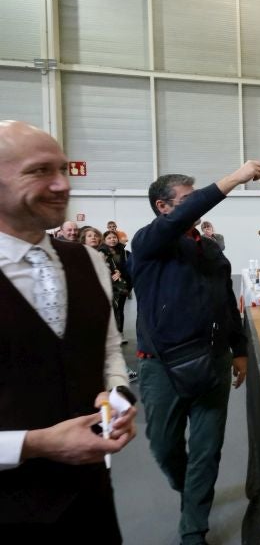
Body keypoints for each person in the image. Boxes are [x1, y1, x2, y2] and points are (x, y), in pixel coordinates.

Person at [0, 120, 137, 541]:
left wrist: (116, 396)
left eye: (63, 169)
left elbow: (108, 349)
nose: (62, 185)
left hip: (90, 496)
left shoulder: (86, 260)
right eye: (40, 171)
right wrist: (34, 443)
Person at [130, 160, 260, 545]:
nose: (196, 207)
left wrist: (239, 350)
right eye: (187, 200)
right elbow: (180, 221)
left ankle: (193, 529)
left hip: (213, 362)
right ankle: (189, 491)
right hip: (161, 368)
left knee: (207, 451)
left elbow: (227, 303)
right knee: (164, 446)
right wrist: (233, 179)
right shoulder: (147, 243)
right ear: (163, 206)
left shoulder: (209, 250)